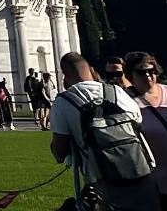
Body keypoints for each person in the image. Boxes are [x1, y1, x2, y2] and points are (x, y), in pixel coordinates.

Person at [52, 51, 158, 211]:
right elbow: (137, 123)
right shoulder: (117, 92)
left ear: (64, 76)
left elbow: (59, 151)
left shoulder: (64, 101)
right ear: (91, 70)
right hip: (140, 172)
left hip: (103, 181)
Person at [125, 51, 167, 210]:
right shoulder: (128, 102)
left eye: (152, 71)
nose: (148, 75)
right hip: (156, 180)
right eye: (141, 72)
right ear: (131, 75)